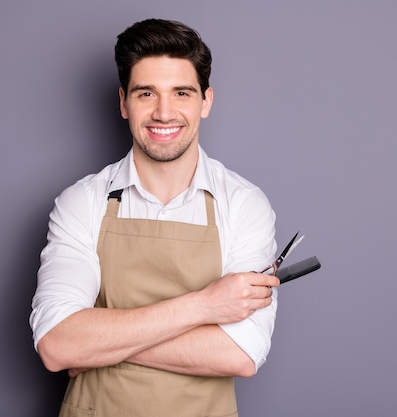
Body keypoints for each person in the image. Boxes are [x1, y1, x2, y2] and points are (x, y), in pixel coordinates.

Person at [29, 18, 280, 417]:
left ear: (206, 101)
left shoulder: (244, 204)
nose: (164, 113)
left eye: (182, 92)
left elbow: (241, 353)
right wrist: (203, 306)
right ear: (124, 103)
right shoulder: (82, 201)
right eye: (147, 93)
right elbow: (58, 345)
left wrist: (98, 345)